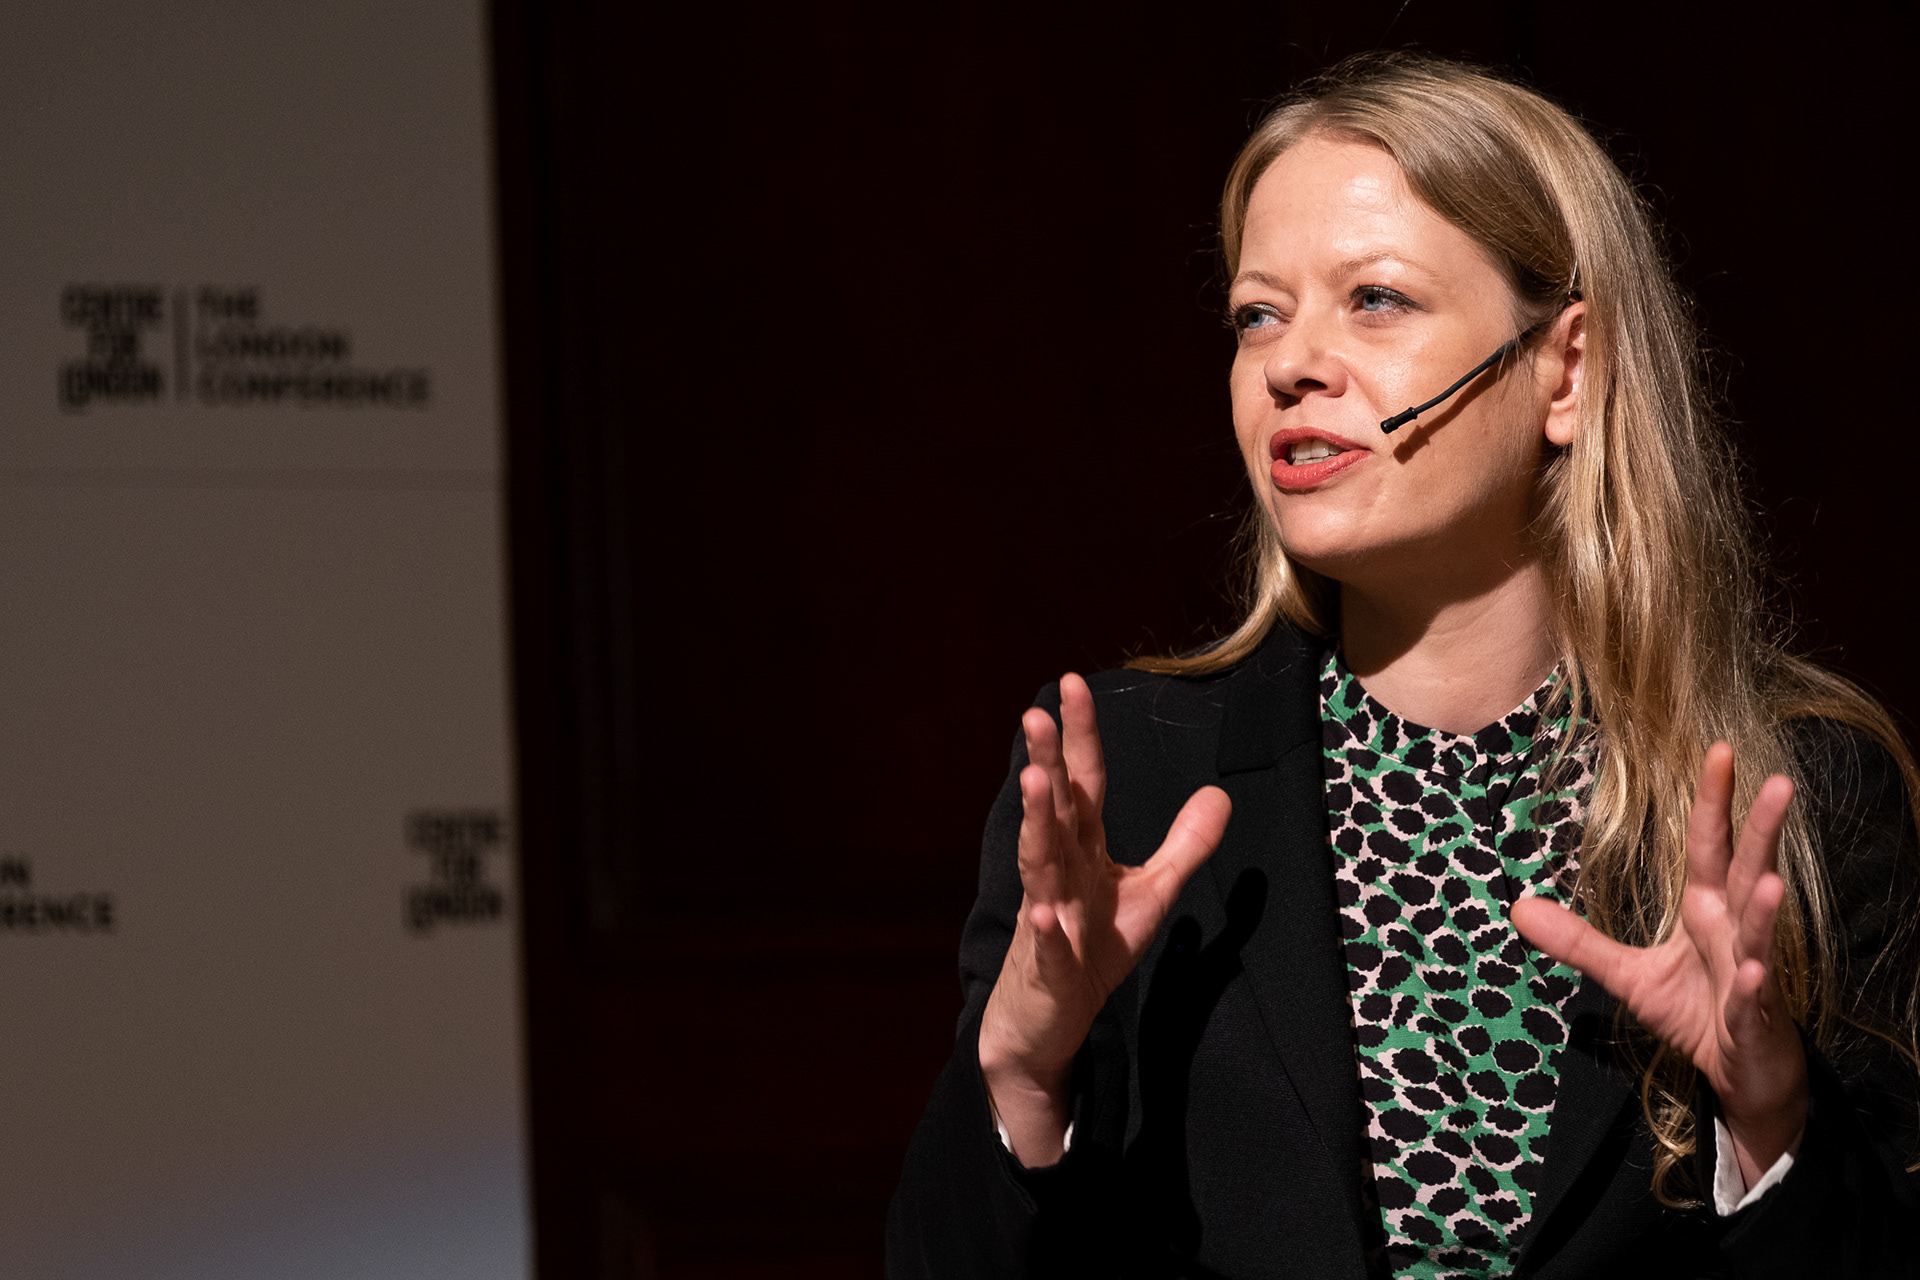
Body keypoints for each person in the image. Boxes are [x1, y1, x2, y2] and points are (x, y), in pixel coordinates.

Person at [886, 53, 1920, 1280]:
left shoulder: (1803, 798)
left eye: (1374, 298)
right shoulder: (1126, 784)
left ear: (1567, 368)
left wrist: (1771, 1121)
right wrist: (1019, 1066)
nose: (1290, 364)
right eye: (1258, 314)